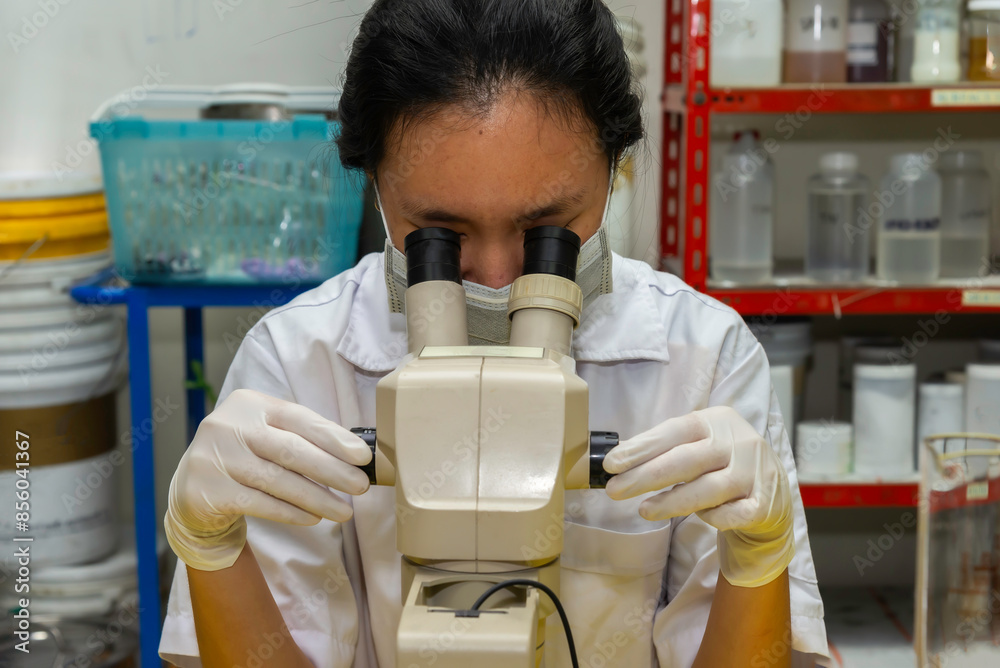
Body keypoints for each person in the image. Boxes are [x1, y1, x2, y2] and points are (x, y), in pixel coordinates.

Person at [159, 1, 829, 666]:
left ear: (614, 167)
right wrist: (215, 554)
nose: (503, 277)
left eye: (546, 230)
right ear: (374, 183)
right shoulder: (298, 363)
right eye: (440, 234)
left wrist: (755, 564)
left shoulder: (703, 359)